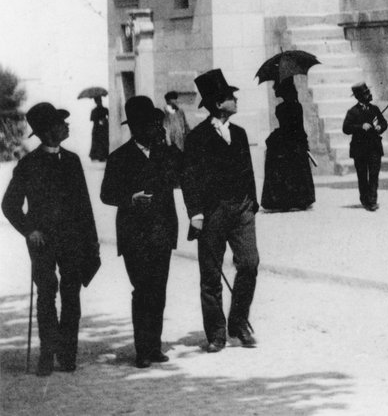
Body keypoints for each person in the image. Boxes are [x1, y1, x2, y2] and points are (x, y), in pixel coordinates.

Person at [3, 102, 100, 375]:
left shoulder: (72, 161)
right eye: (61, 122)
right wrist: (28, 230)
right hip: (42, 241)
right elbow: (9, 205)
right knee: (46, 295)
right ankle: (47, 353)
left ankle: (67, 353)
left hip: (71, 241)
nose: (66, 126)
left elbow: (84, 206)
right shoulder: (28, 164)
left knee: (72, 296)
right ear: (48, 131)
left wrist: (91, 242)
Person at [101, 96, 182, 367]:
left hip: (161, 232)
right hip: (134, 235)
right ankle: (142, 350)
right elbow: (106, 194)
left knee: (158, 289)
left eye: (156, 123)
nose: (155, 128)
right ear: (136, 127)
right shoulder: (119, 157)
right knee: (142, 289)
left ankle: (154, 346)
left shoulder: (164, 154)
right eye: (150, 124)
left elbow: (182, 173)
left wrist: (169, 144)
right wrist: (129, 199)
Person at [183, 69, 260, 351]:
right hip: (212, 212)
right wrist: (196, 214)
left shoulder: (239, 134)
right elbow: (189, 179)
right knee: (211, 275)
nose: (235, 99)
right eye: (230, 96)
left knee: (250, 264)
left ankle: (238, 322)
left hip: (242, 209)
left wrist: (252, 202)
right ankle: (216, 333)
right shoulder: (197, 138)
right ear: (218, 104)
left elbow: (249, 171)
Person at [261, 78, 315, 211]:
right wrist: (304, 143)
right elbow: (299, 128)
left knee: (283, 169)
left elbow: (290, 127)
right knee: (294, 170)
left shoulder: (280, 108)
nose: (273, 88)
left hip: (284, 141)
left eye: (275, 86)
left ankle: (282, 200)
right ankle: (299, 199)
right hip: (294, 141)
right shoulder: (297, 106)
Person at [342, 81, 388, 211]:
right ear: (358, 97)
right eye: (365, 93)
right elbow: (345, 128)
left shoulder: (375, 109)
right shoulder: (352, 112)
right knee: (362, 176)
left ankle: (372, 201)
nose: (369, 94)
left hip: (374, 147)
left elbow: (384, 122)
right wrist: (360, 127)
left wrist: (380, 127)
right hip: (359, 149)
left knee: (374, 175)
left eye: (368, 92)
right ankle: (364, 199)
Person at [88, 95, 110, 162]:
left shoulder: (104, 109)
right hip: (97, 128)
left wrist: (104, 120)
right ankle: (96, 156)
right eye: (98, 101)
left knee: (103, 141)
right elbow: (91, 119)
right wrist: (99, 120)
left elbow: (109, 117)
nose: (99, 102)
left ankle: (102, 155)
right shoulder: (95, 110)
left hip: (103, 128)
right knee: (97, 141)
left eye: (99, 101)